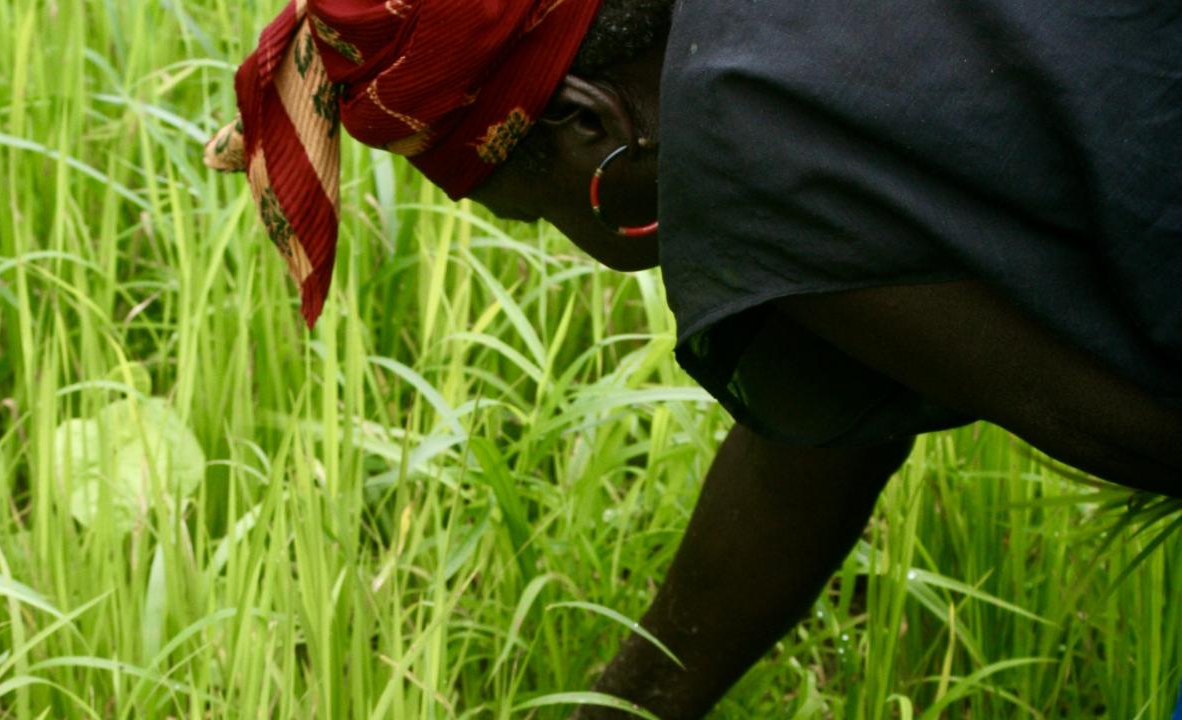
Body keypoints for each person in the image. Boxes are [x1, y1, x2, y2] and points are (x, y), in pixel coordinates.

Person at [207, 1, 1182, 717]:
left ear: (589, 127)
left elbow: (1147, 428)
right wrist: (624, 710)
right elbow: (804, 453)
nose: (555, 237)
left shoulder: (742, 119)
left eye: (533, 211)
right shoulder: (763, 53)